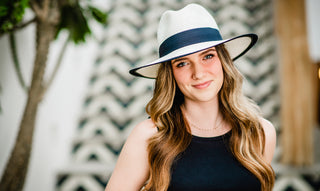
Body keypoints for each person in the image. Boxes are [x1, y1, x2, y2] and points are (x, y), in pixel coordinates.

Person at [105, 3, 276, 191]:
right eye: (182, 63)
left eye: (208, 56)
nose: (198, 73)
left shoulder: (260, 132)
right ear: (170, 73)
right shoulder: (149, 136)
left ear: (223, 61)